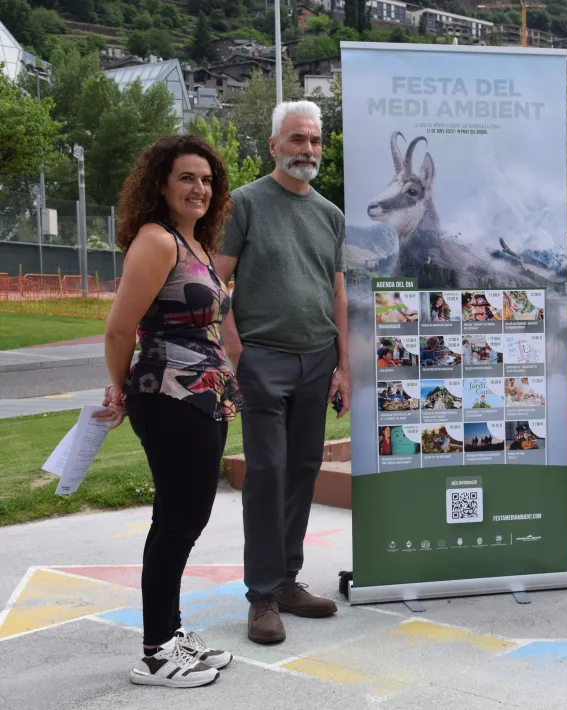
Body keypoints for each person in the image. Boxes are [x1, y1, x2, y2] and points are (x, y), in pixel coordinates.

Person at [97, 134, 240, 687]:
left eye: (206, 179)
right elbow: (118, 327)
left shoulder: (197, 244)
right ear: (161, 183)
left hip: (203, 398)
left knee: (187, 517)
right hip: (169, 395)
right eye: (186, 177)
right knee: (178, 520)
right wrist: (118, 388)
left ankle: (172, 633)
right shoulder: (157, 241)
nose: (199, 188)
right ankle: (156, 652)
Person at [214, 100, 350, 645]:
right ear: (273, 145)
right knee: (267, 473)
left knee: (302, 471)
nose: (308, 150)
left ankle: (288, 581)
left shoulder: (330, 214)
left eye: (315, 141)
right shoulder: (242, 204)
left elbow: (337, 292)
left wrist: (343, 363)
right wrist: (234, 349)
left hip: (318, 357)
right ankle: (262, 596)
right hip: (263, 356)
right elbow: (216, 281)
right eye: (297, 140)